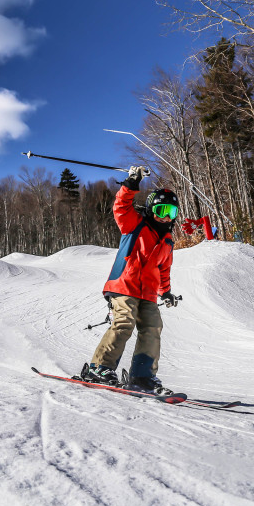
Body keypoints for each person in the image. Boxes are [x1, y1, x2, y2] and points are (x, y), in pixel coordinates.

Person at [82, 165, 181, 394]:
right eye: (162, 210)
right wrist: (131, 183)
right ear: (151, 208)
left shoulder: (167, 241)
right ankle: (100, 367)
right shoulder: (134, 223)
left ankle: (143, 377)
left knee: (153, 327)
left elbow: (164, 270)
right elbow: (120, 206)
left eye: (172, 212)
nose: (166, 217)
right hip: (124, 285)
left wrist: (165, 292)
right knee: (124, 322)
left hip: (147, 293)